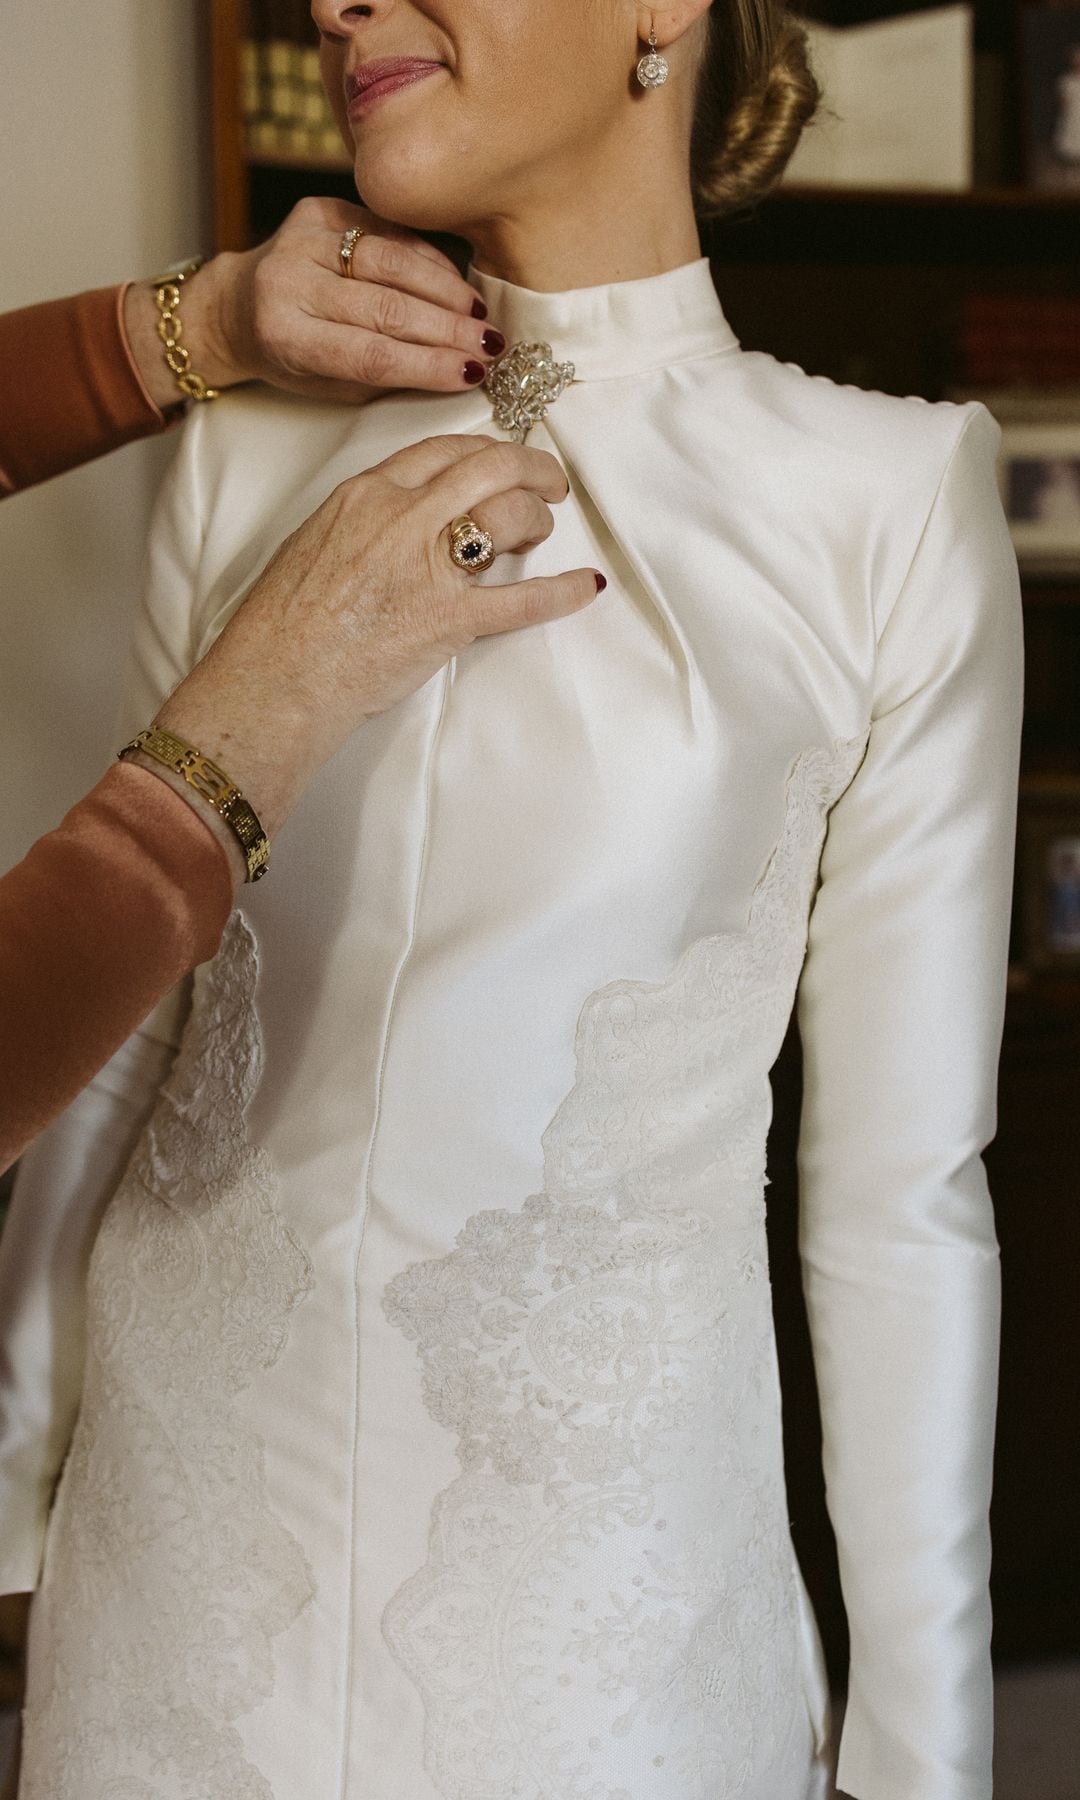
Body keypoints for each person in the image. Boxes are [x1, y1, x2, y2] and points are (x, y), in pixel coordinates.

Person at [4, 2, 1023, 1797]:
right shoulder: (240, 443)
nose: (338, 0)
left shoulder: (881, 501)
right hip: (169, 1593)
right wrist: (15, 1493)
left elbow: (900, 1194)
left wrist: (922, 1745)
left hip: (598, 1636)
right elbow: (121, 1034)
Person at [0, 200, 599, 1169]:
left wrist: (198, 323)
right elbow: (136, 1061)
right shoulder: (239, 449)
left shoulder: (877, 488)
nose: (330, 31)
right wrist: (267, 701)